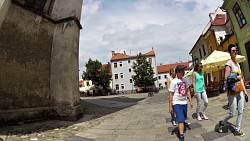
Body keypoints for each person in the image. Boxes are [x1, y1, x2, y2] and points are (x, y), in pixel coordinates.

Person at [218, 44, 249, 136]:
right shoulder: (229, 64)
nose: (235, 52)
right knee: (232, 113)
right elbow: (226, 77)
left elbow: (241, 79)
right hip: (232, 91)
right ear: (230, 53)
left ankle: (237, 129)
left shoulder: (238, 64)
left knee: (241, 110)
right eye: (233, 51)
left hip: (240, 90)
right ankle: (222, 122)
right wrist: (236, 76)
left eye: (236, 50)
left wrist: (245, 91)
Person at [169, 65, 193, 141]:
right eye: (182, 71)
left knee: (184, 117)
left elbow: (188, 91)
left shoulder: (185, 80)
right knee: (180, 119)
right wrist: (170, 106)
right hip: (176, 102)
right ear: (177, 72)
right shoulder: (174, 81)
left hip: (184, 102)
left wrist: (190, 101)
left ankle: (180, 130)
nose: (183, 72)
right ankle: (181, 136)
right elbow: (171, 94)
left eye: (184, 70)